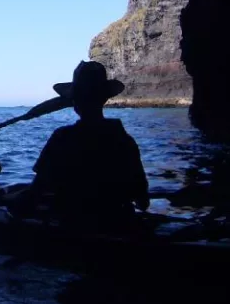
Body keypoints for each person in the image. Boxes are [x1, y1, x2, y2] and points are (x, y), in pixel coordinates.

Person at [15, 61, 150, 228]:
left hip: (73, 223)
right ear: (104, 99)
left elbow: (36, 193)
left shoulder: (62, 138)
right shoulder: (125, 140)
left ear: (74, 102)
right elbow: (143, 202)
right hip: (119, 221)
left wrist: (17, 206)